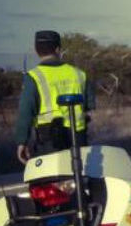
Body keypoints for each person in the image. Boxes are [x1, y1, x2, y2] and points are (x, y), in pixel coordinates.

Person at [13, 30, 94, 162]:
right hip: (79, 137)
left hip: (49, 140)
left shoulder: (33, 77)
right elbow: (89, 105)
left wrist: (22, 141)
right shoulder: (79, 74)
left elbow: (25, 111)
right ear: (58, 49)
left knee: (53, 178)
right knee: (80, 174)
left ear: (36, 50)